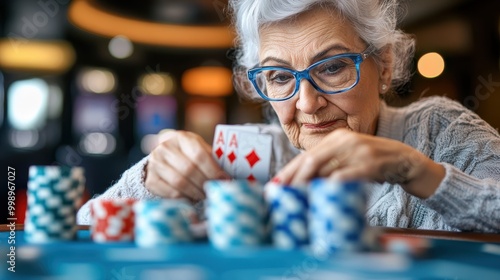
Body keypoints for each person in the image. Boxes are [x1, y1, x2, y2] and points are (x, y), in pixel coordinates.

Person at [77, 0, 500, 232]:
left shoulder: (439, 130)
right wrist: (149, 182)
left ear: (384, 66)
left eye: (332, 67)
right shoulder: (243, 160)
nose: (307, 102)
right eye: (280, 76)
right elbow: (79, 232)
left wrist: (413, 170)